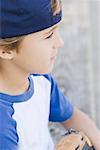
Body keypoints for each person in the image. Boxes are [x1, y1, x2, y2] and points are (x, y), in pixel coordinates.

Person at [0, 0, 100, 149]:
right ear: (6, 50)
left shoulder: (39, 80)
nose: (60, 42)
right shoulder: (3, 123)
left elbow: (72, 116)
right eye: (48, 36)